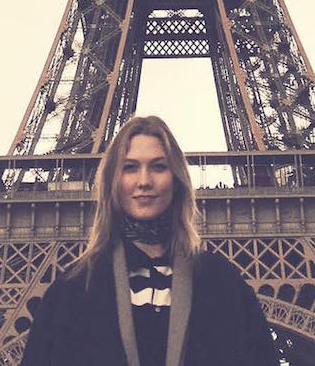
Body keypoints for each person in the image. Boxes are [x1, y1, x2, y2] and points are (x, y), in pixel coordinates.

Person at [20, 114, 279, 366]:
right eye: (130, 167)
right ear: (113, 181)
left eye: (158, 167)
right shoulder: (71, 291)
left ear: (176, 181)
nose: (144, 181)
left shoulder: (224, 285)